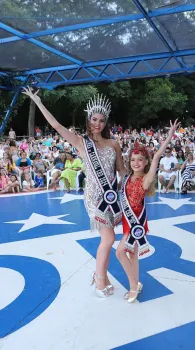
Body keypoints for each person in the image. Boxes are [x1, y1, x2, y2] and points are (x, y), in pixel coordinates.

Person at [23, 87, 125, 298]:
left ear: (105, 123)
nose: (97, 124)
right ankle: (99, 279)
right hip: (94, 198)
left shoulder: (114, 144)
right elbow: (56, 125)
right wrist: (39, 102)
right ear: (88, 121)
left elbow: (121, 171)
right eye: (94, 119)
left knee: (108, 239)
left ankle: (102, 277)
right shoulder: (81, 143)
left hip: (112, 197)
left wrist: (140, 168)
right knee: (108, 239)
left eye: (101, 121)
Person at [116, 120, 179, 303]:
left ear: (145, 163)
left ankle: (133, 285)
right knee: (131, 254)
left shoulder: (146, 178)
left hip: (137, 221)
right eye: (133, 159)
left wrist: (169, 135)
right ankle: (136, 284)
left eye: (140, 160)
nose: (136, 163)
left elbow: (158, 154)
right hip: (127, 221)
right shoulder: (127, 177)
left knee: (120, 252)